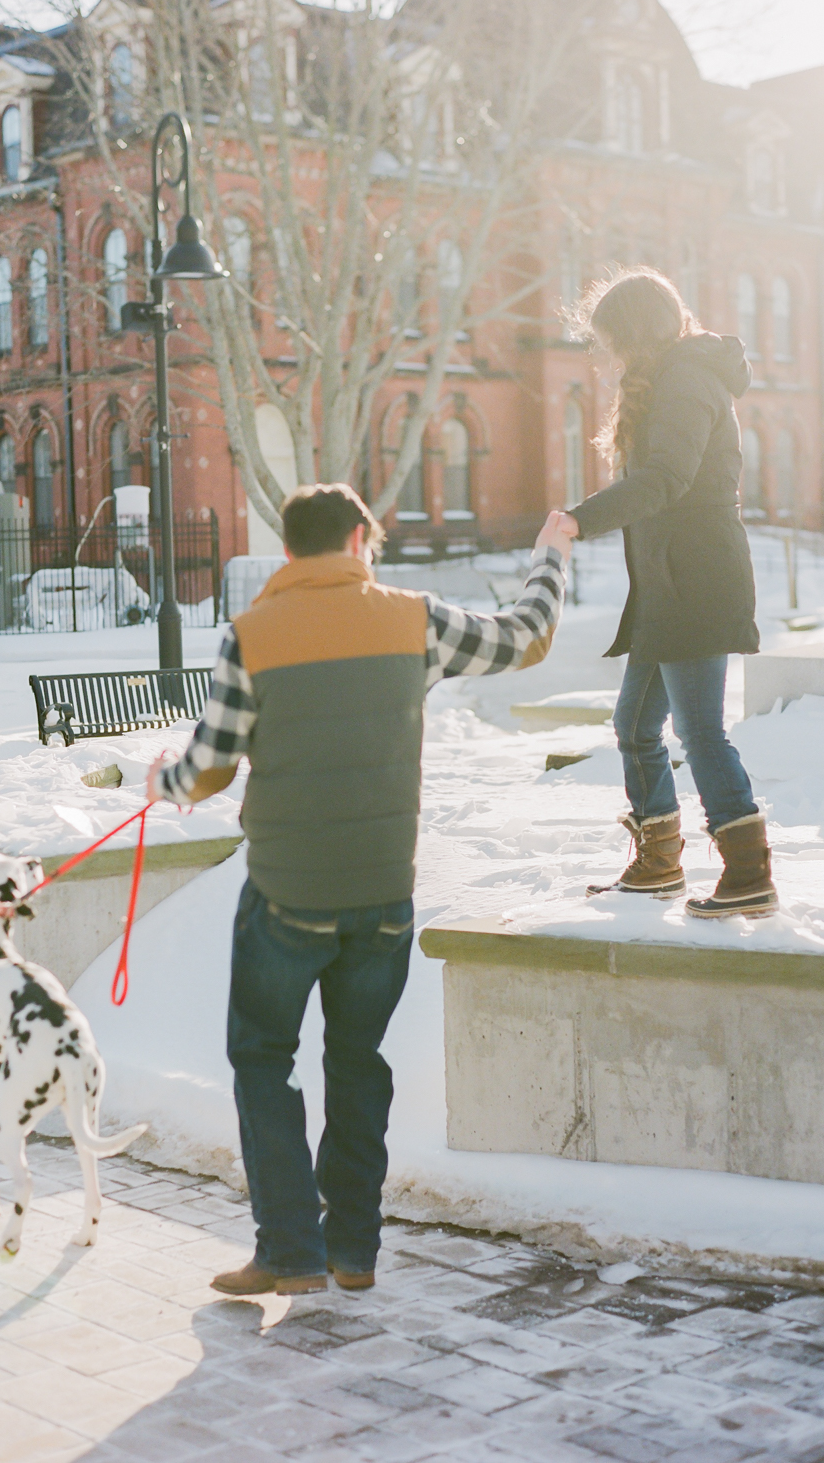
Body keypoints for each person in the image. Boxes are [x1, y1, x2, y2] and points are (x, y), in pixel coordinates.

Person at [147, 483, 574, 1296]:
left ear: (287, 553)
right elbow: (527, 638)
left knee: (263, 1059)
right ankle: (352, 1251)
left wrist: (161, 781)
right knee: (356, 1062)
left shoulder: (252, 635)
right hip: (383, 891)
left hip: (284, 895)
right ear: (358, 540)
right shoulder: (413, 620)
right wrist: (549, 554)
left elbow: (208, 769)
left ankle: (288, 1251)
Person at [559, 266, 778, 919]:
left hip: (697, 579)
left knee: (699, 731)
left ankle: (747, 872)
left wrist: (577, 518)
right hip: (666, 583)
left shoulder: (688, 378)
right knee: (634, 724)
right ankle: (657, 860)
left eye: (613, 342)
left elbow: (664, 479)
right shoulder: (668, 378)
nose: (610, 356)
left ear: (636, 334)